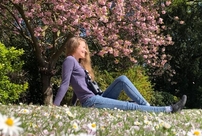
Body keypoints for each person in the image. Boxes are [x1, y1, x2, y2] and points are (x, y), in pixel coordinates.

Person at [53, 37, 187, 113]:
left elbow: (78, 86)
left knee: (122, 80)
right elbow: (65, 84)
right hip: (91, 101)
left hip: (96, 97)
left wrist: (73, 104)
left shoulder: (78, 64)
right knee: (130, 106)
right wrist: (55, 106)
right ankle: (169, 109)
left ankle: (146, 105)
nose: (85, 50)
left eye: (85, 48)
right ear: (74, 47)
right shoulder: (69, 60)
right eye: (83, 47)